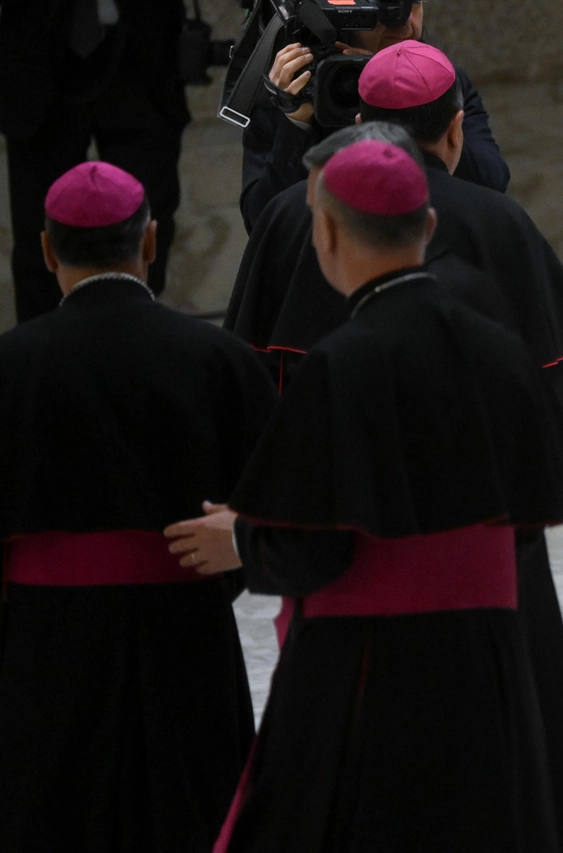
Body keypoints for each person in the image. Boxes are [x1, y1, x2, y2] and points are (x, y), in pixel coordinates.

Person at [199, 140, 563, 852]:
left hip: (367, 667)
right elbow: (537, 511)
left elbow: (307, 549)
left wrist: (242, 537)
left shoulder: (338, 363)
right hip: (488, 658)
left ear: (324, 233)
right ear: (430, 227)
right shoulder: (499, 347)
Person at [0, 162, 277, 850]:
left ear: (44, 251)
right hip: (183, 634)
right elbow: (272, 507)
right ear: (152, 241)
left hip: (44, 642)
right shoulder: (220, 357)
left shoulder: (8, 364)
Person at [226, 41, 563, 412]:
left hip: (327, 462)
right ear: (456, 129)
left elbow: (248, 378)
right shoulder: (501, 219)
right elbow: (552, 388)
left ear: (359, 124)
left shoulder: (290, 211)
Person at [239, 0, 508, 233]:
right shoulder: (297, 89)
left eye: (412, 3)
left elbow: (491, 183)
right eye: (381, 5)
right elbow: (262, 224)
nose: (404, 23)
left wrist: (410, 102)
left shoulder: (446, 83)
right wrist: (296, 124)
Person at [0, 0, 189, 322]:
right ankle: (45, 356)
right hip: (39, 55)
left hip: (141, 50)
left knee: (148, 217)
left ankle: (140, 341)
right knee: (37, 228)